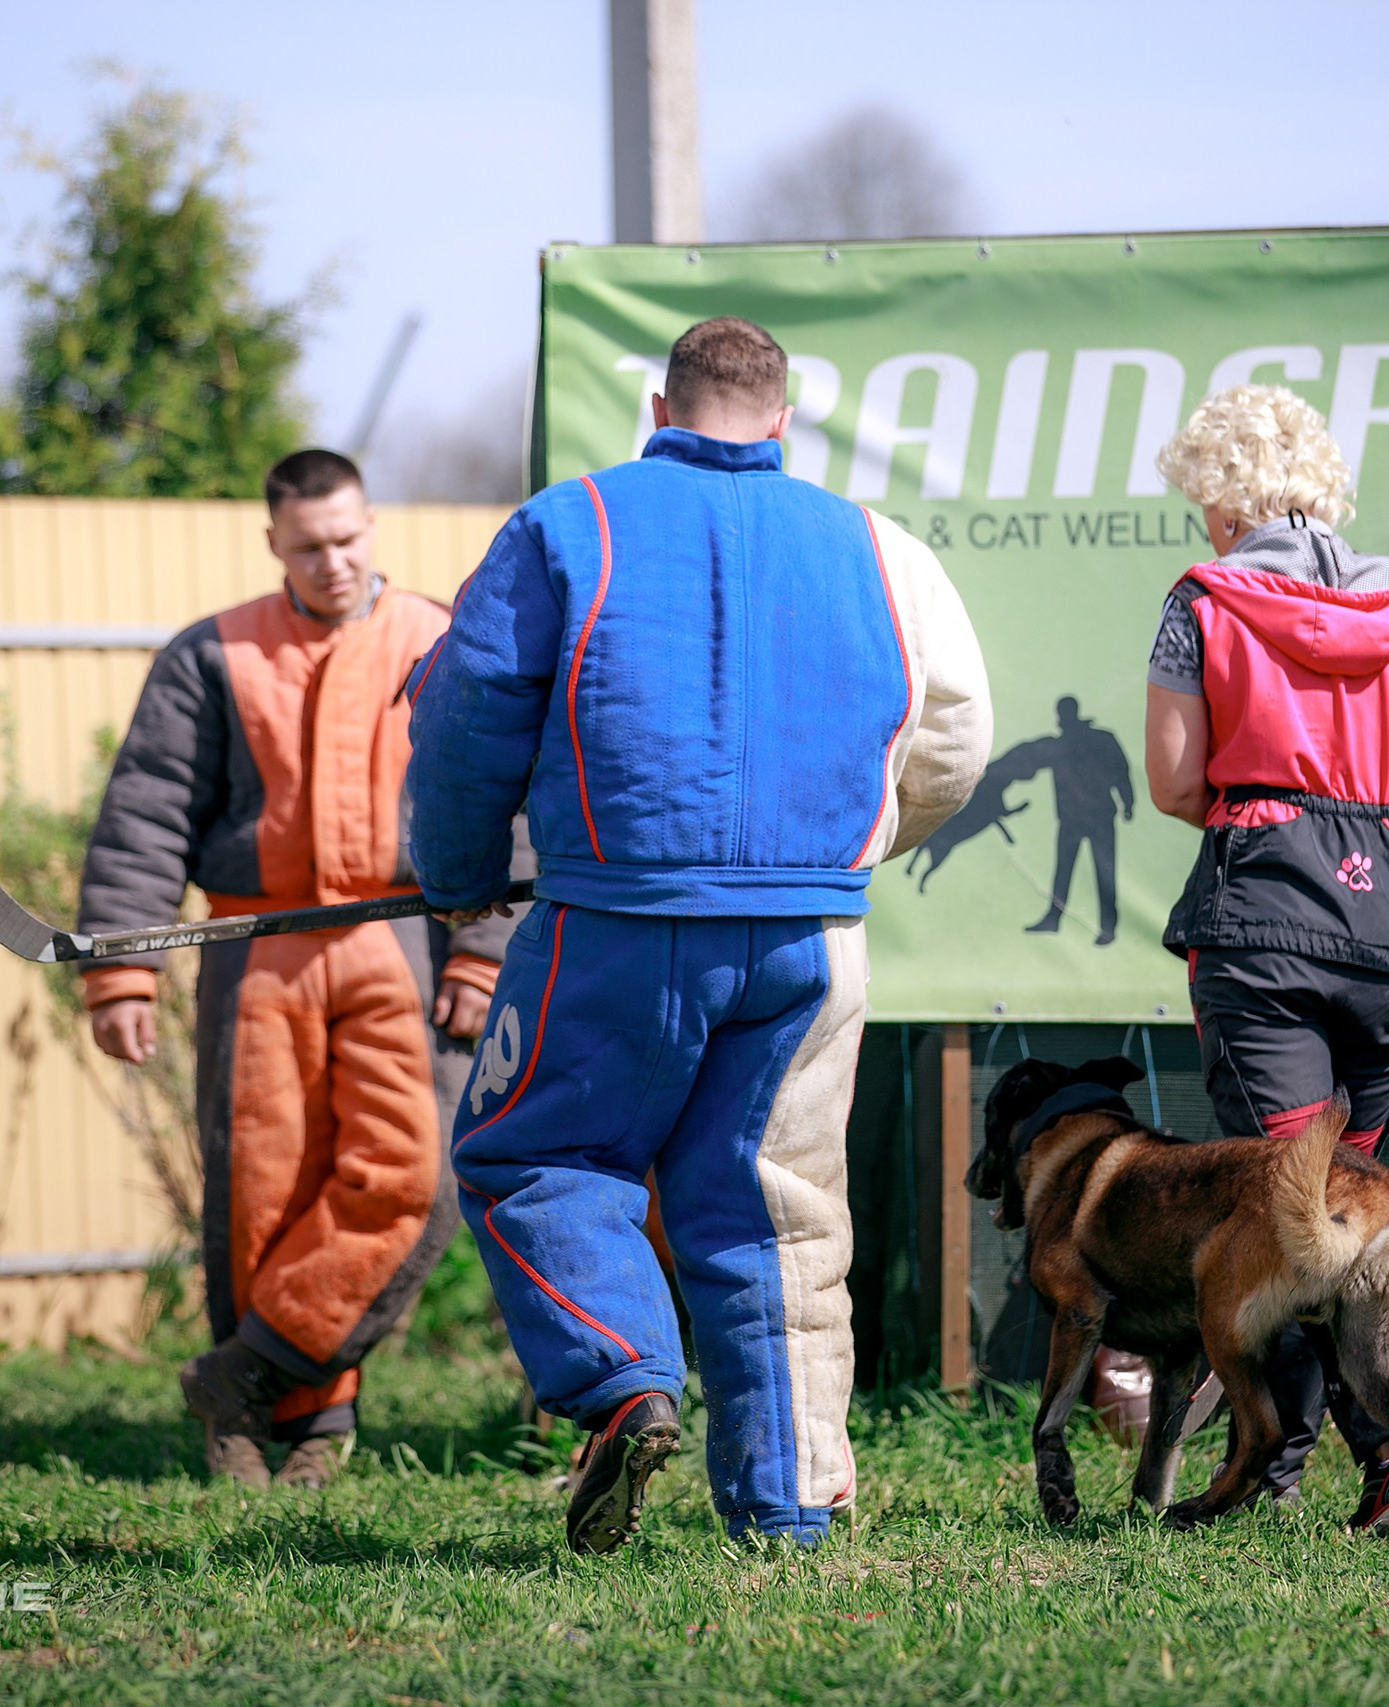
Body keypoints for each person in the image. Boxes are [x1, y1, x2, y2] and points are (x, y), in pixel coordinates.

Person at [402, 316, 991, 1553]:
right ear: (782, 419)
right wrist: (843, 854)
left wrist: (457, 877)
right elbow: (952, 741)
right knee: (777, 1212)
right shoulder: (881, 546)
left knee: (537, 1157)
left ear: (659, 411)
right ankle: (789, 1506)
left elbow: (466, 716)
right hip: (810, 940)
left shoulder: (566, 525)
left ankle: (621, 1378)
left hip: (610, 923)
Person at [78, 448, 517, 1490]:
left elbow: (505, 800)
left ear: (373, 526)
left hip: (404, 944)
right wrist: (122, 971)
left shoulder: (440, 640)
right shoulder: (210, 655)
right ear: (273, 540)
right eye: (310, 545)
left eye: (348, 538)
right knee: (260, 1190)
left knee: (413, 1181)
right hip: (253, 950)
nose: (333, 561)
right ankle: (289, 1427)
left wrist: (482, 952)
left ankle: (241, 1374)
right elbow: (147, 815)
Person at [1141, 383, 1389, 1533]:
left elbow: (1173, 781)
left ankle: (1319, 1466)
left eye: (1202, 503)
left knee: (1296, 1215)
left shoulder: (1203, 599)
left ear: (1226, 503)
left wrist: (1272, 812)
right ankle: (1372, 1469)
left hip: (1265, 928)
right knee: (1346, 1208)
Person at [1010, 695, 1137, 944]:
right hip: (1073, 819)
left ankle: (1107, 928)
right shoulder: (1061, 745)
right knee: (1065, 870)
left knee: (1102, 871)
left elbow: (1120, 770)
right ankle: (1055, 919)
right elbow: (1026, 760)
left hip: (1098, 817)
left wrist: (1128, 801)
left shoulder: (1097, 740)